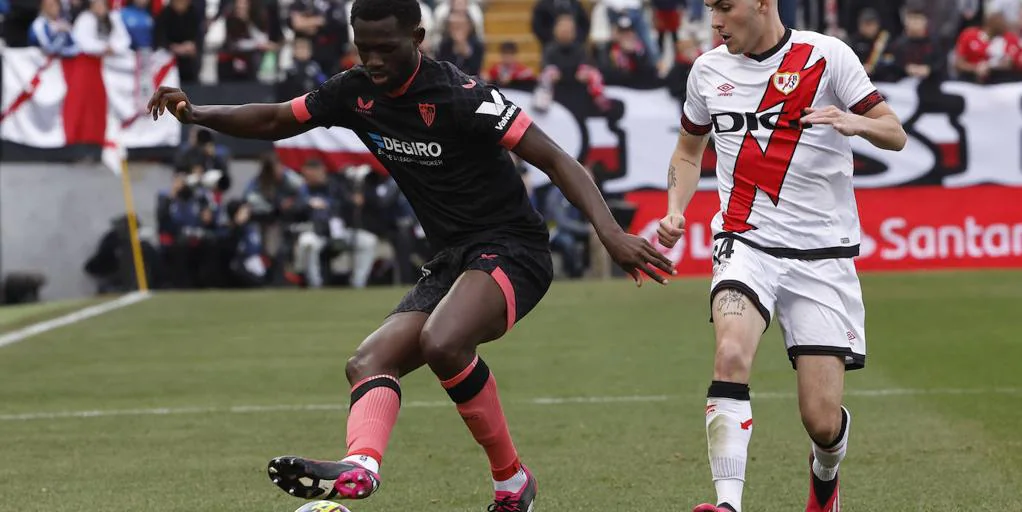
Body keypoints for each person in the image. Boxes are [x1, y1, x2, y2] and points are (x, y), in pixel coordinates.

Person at [147, 0, 674, 509]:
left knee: (442, 341)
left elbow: (557, 159)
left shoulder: (461, 95)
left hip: (514, 249)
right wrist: (196, 113)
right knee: (368, 361)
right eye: (362, 47)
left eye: (384, 48)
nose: (372, 60)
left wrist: (610, 234)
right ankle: (371, 467)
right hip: (451, 260)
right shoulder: (354, 91)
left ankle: (510, 480)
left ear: (418, 39)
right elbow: (275, 120)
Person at [654, 1, 907, 512]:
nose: (715, 22)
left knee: (821, 418)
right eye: (710, 9)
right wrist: (675, 208)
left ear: (763, 3)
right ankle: (727, 504)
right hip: (744, 240)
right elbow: (687, 149)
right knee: (729, 353)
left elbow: (895, 132)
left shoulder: (827, 55)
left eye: (725, 7)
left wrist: (855, 123)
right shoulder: (707, 71)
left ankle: (825, 479)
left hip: (821, 254)